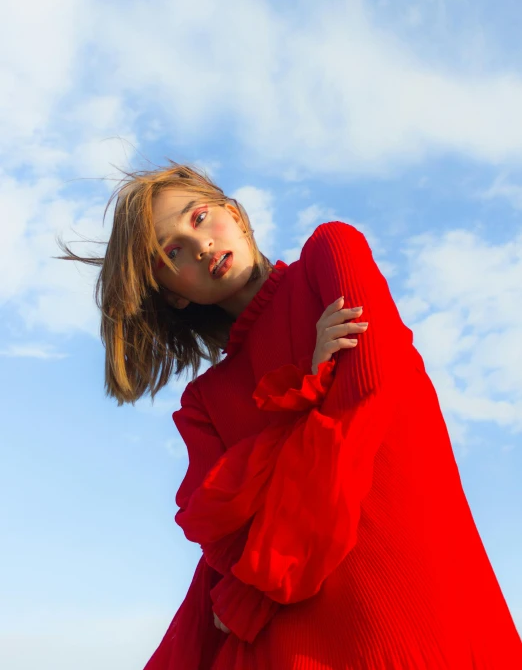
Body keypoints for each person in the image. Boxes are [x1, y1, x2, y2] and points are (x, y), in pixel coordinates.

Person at [58, 160, 522, 669]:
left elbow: (368, 392)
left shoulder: (331, 253)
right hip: (296, 639)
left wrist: (254, 588)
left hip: (420, 596)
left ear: (235, 214)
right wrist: (319, 394)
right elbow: (224, 544)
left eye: (199, 218)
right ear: (174, 294)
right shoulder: (205, 406)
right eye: (173, 253)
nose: (201, 246)